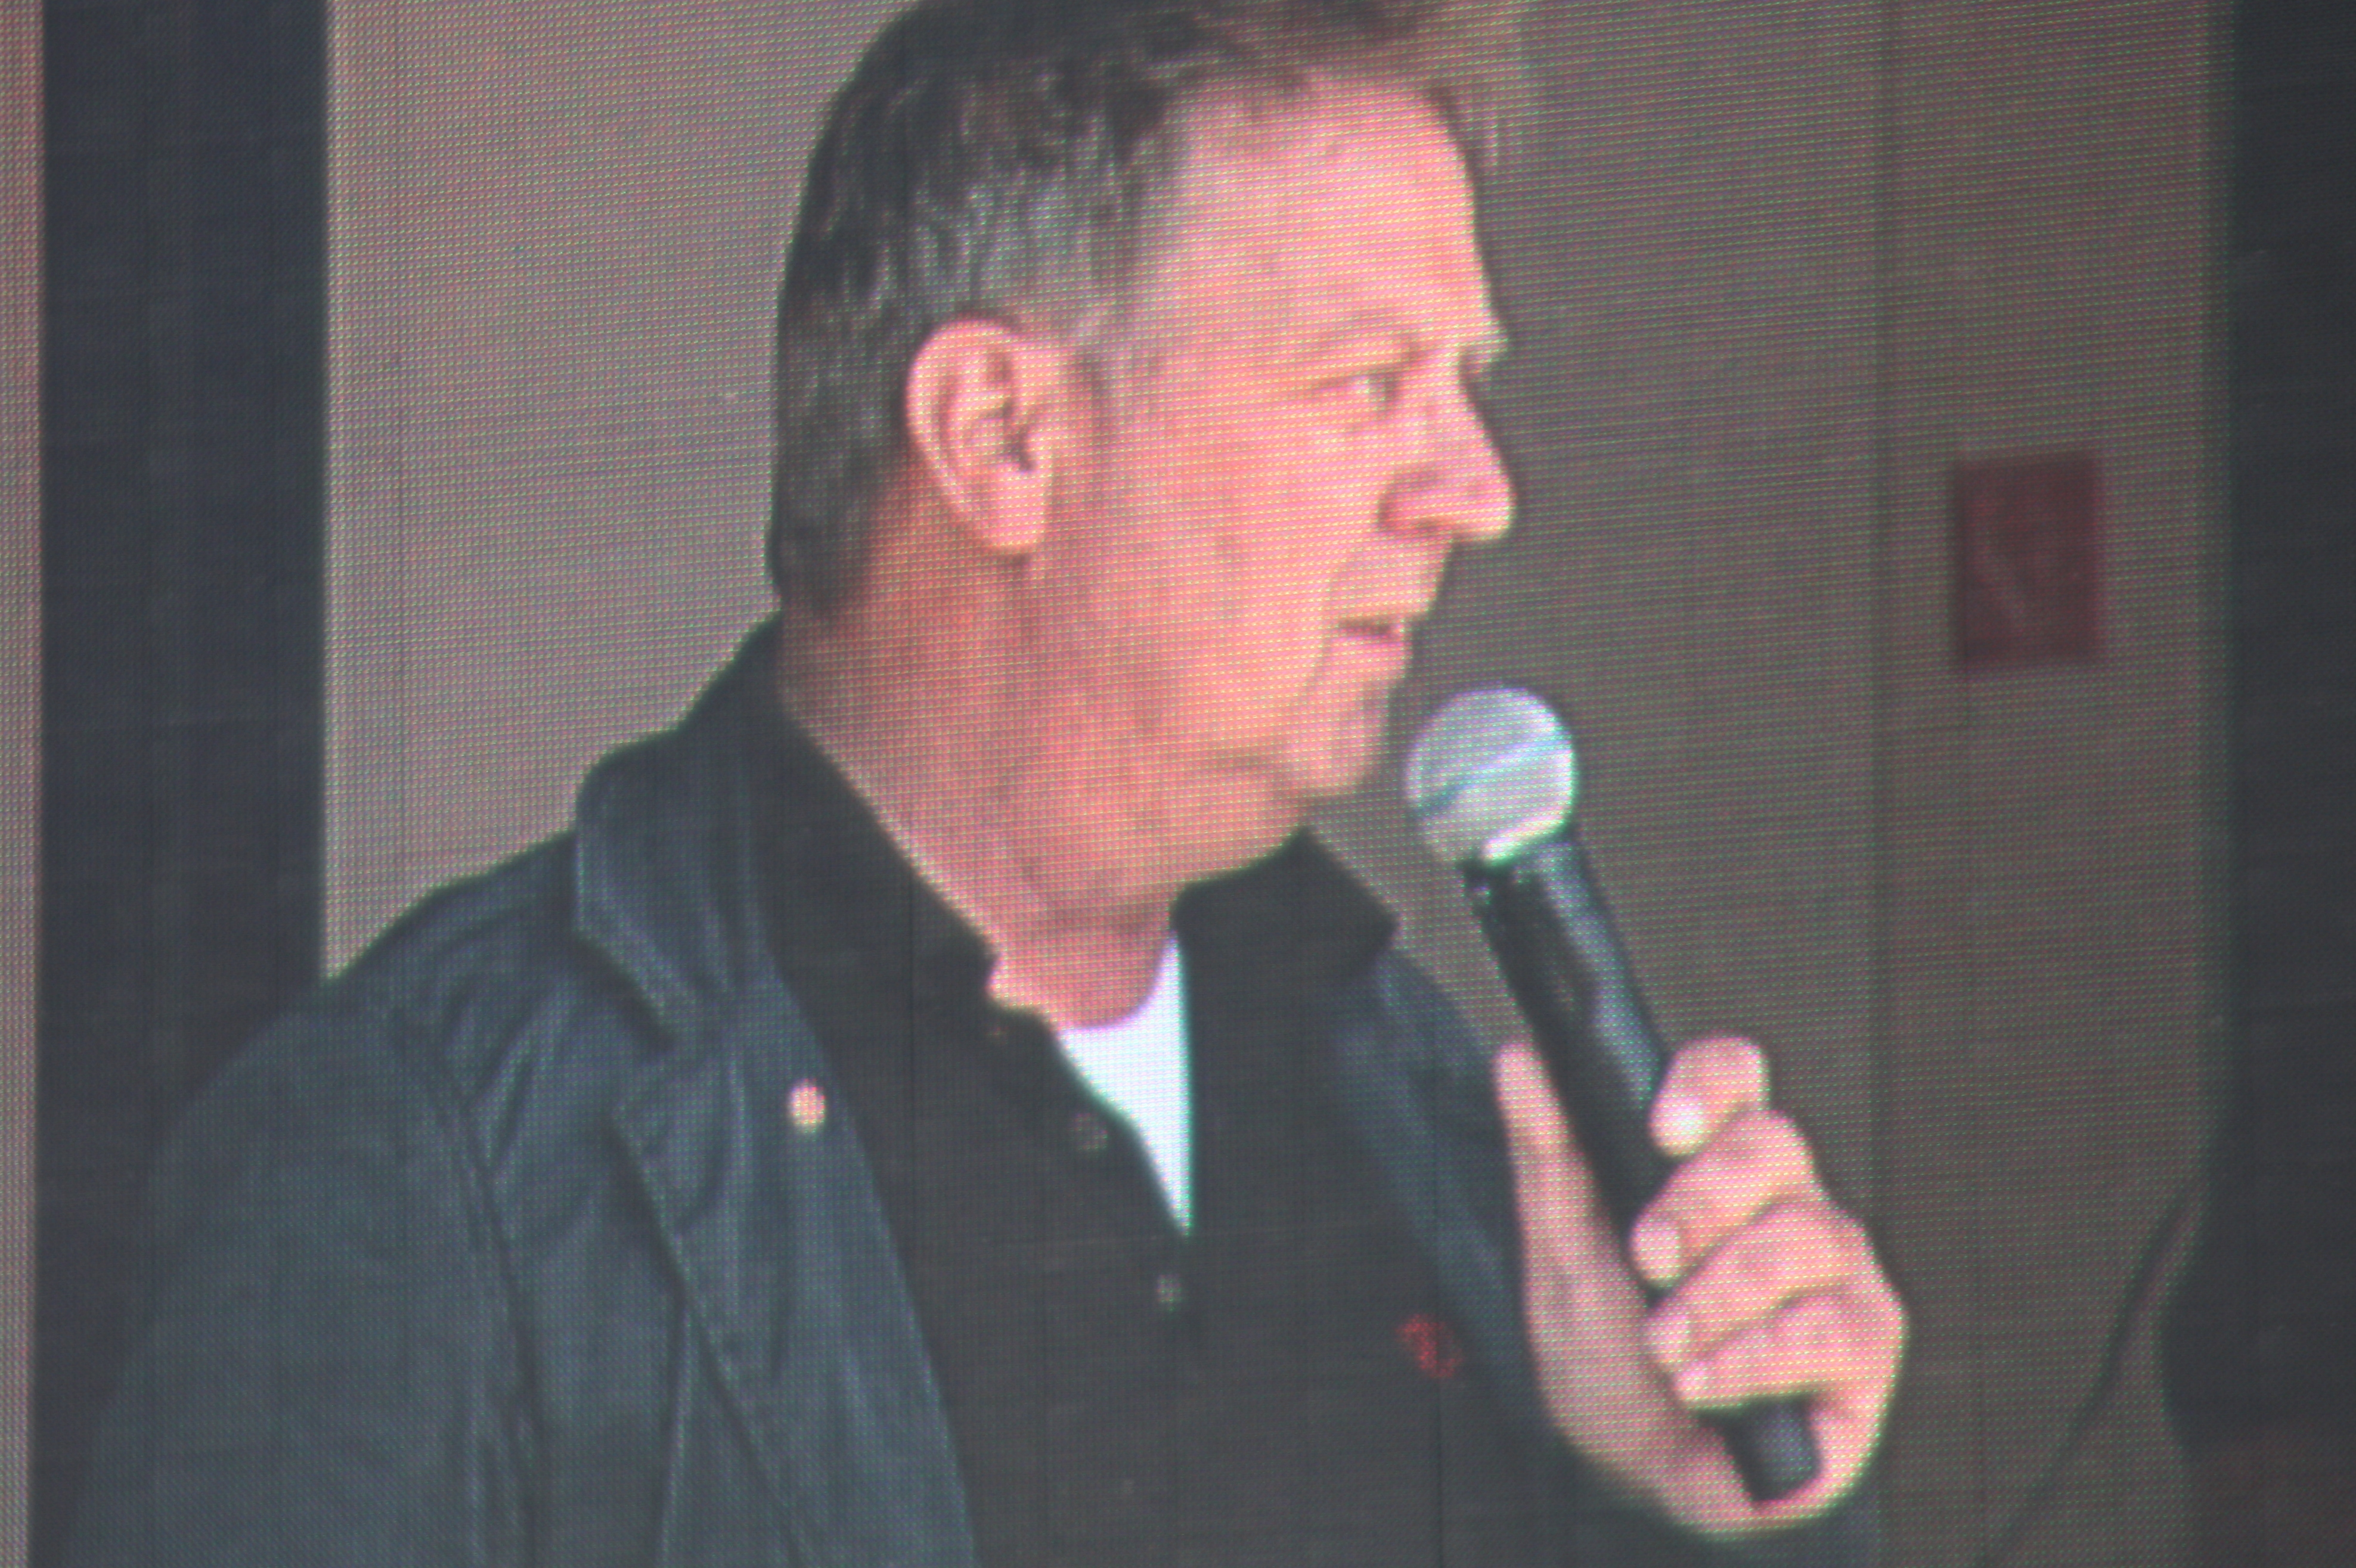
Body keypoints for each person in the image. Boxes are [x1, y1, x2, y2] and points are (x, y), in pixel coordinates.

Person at [67, 1, 1904, 1562]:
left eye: (1464, 382)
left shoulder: (1420, 1098)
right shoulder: (414, 1173)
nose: (1474, 489)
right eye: (1368, 385)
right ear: (1003, 439)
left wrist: (1684, 1504)